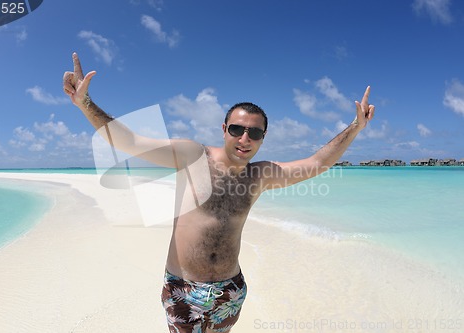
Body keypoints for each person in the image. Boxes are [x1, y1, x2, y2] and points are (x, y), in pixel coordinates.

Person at [63, 52, 375, 333]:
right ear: (224, 129)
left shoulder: (260, 174)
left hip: (231, 290)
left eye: (254, 133)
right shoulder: (191, 155)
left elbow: (317, 162)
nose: (245, 138)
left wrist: (355, 127)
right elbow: (129, 142)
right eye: (237, 129)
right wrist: (85, 104)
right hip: (183, 289)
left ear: (262, 138)